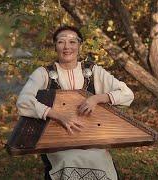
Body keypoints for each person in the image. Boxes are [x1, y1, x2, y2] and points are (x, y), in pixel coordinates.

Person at [16, 25, 134, 180]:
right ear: (55, 46)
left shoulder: (93, 71)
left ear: (80, 45)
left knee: (98, 159)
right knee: (69, 160)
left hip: (91, 138)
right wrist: (58, 115)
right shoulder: (43, 73)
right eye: (61, 42)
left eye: (72, 42)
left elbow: (127, 94)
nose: (67, 47)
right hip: (58, 140)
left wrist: (96, 98)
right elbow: (24, 101)